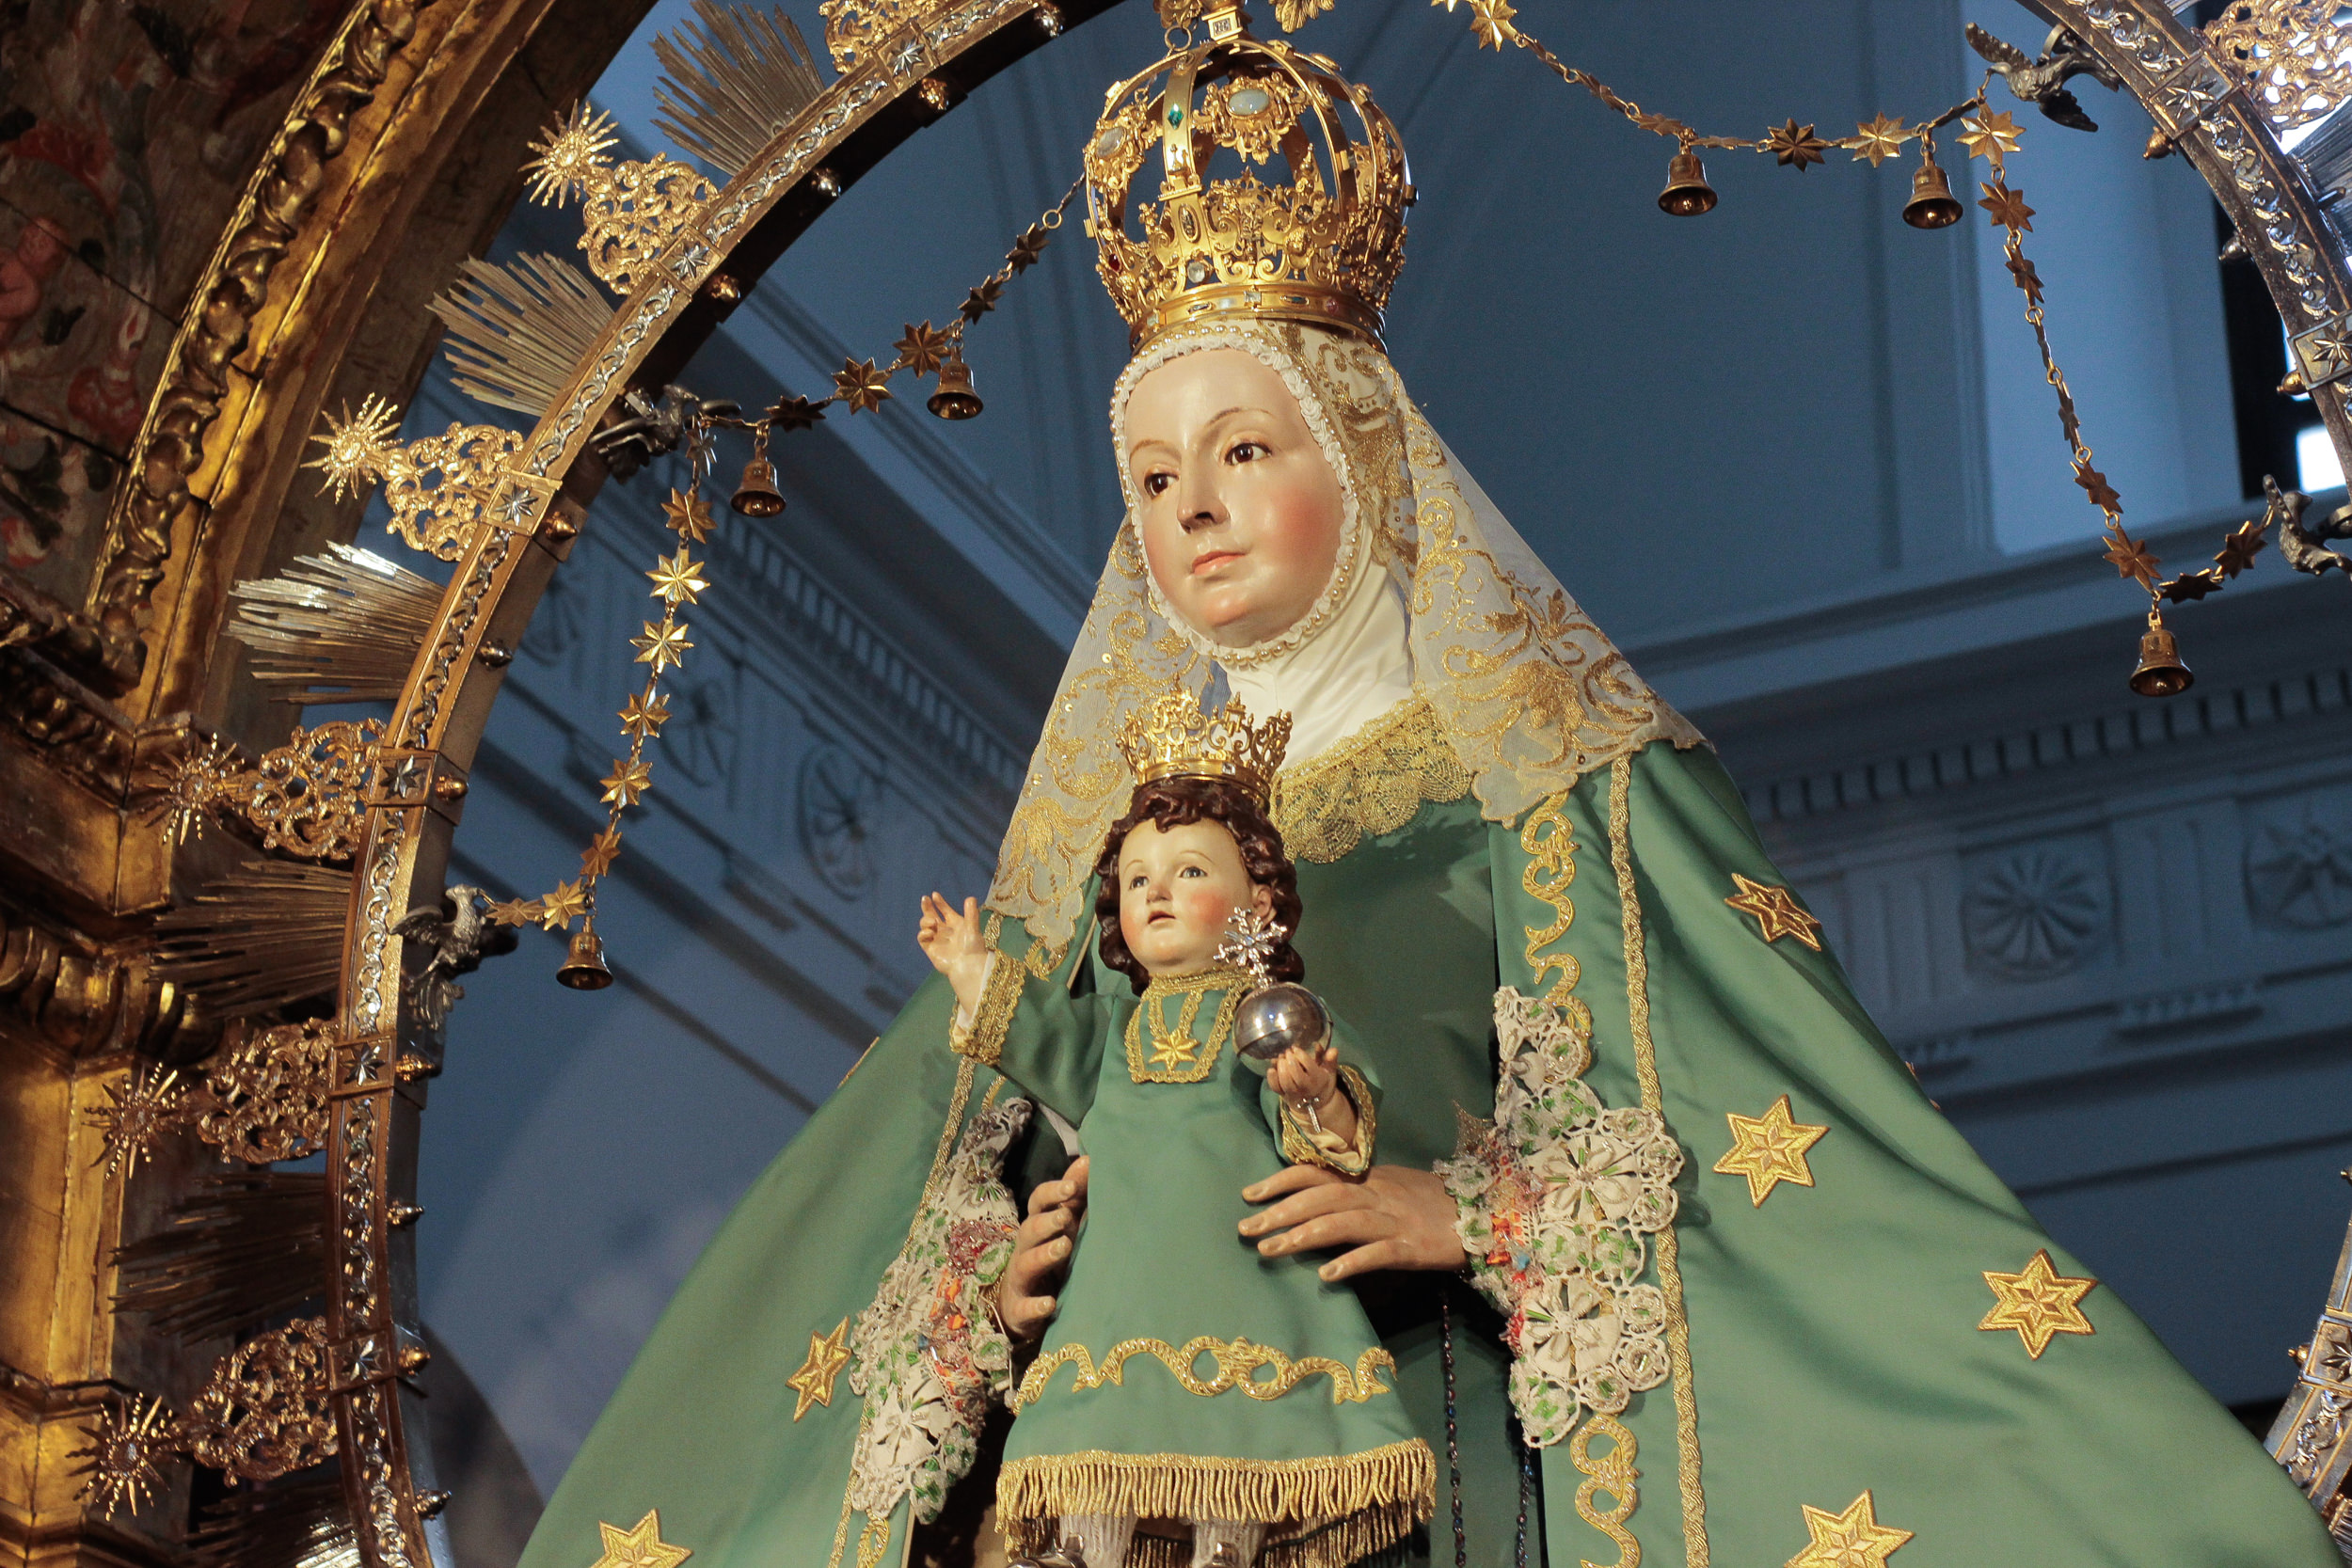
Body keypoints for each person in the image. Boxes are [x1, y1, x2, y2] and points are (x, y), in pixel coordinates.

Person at [515, 8, 2342, 1568]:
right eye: (1150, 475)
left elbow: (1748, 1132)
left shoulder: (1550, 783)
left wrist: (1465, 1211)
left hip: (1416, 1443)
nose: (1192, 505)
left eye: (1244, 447)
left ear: (1370, 462)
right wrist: (993, 1272)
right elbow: (973, 1159)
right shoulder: (1106, 857)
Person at [915, 695, 1433, 1568]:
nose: (1156, 892)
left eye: (1189, 870)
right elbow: (1038, 1031)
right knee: (1105, 1495)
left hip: (1250, 1290)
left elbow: (1330, 1145)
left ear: (1258, 897)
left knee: (1239, 1487)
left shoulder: (1270, 1015)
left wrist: (1313, 1094)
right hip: (1120, 1304)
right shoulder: (1111, 1034)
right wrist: (972, 965)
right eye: (1137, 880)